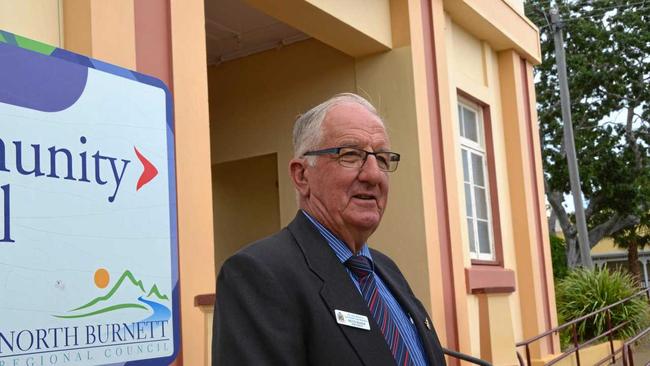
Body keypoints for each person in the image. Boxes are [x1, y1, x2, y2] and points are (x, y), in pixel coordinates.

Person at [212, 93, 446, 365]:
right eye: (350, 155)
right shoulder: (257, 275)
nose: (373, 175)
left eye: (381, 159)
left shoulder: (386, 269)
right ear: (302, 176)